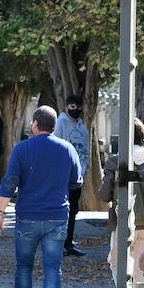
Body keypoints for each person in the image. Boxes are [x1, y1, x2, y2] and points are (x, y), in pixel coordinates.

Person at [0, 106, 79, 288]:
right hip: (57, 216)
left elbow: (9, 183)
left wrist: (0, 213)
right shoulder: (67, 149)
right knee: (53, 268)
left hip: (27, 216)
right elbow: (76, 181)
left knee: (23, 267)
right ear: (54, 126)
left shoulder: (22, 149)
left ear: (34, 124)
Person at [98, 117, 144, 288]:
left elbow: (105, 195)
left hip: (124, 220)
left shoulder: (116, 161)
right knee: (141, 266)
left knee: (117, 262)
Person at [55, 94, 91, 256]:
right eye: (72, 107)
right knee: (61, 210)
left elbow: (86, 150)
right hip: (62, 175)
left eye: (78, 107)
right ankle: (59, 243)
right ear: (66, 108)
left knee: (73, 210)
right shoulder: (61, 123)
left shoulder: (83, 128)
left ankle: (68, 242)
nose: (75, 110)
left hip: (77, 176)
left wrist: (83, 170)